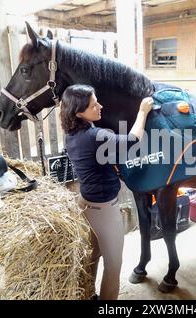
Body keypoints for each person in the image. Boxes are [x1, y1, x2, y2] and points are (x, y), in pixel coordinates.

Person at [60, 84, 153, 300]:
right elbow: (132, 141)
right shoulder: (95, 135)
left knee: (92, 254)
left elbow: (97, 158)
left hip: (85, 204)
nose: (100, 106)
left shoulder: (71, 134)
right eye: (94, 105)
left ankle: (87, 293)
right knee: (114, 265)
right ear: (78, 112)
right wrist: (142, 112)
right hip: (104, 210)